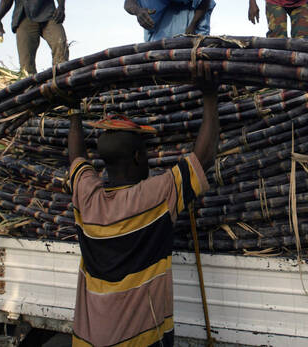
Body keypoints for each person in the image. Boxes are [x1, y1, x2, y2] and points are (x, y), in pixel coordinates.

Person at [66, 64, 219, 346]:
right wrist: (210, 95)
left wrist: (74, 110)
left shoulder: (87, 198)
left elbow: (76, 158)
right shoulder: (153, 197)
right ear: (137, 157)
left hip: (87, 341)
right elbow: (204, 158)